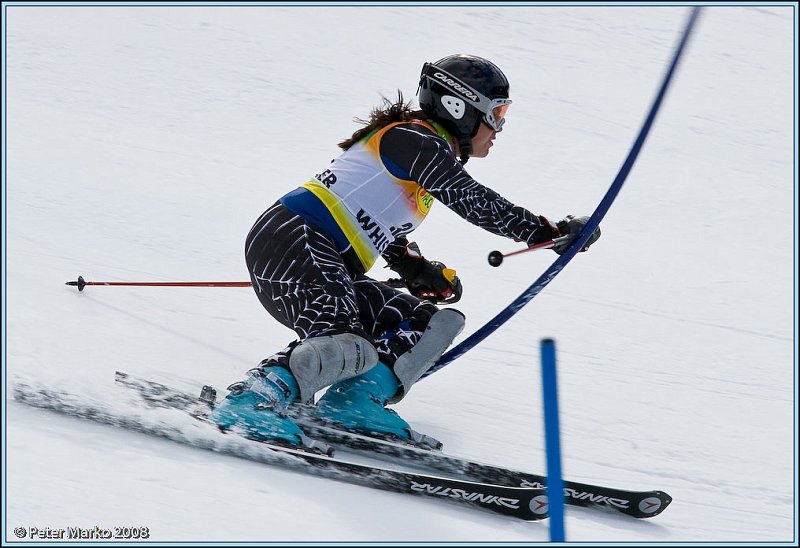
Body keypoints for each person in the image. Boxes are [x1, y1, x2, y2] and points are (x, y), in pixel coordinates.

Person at [210, 54, 601, 449]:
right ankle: (252, 401)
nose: (499, 128)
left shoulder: (422, 153)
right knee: (344, 340)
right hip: (295, 238)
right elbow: (470, 198)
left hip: (323, 252)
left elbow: (371, 214)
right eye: (496, 114)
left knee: (428, 326)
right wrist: (543, 232)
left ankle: (353, 403)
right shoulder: (413, 138)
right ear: (459, 106)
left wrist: (413, 267)